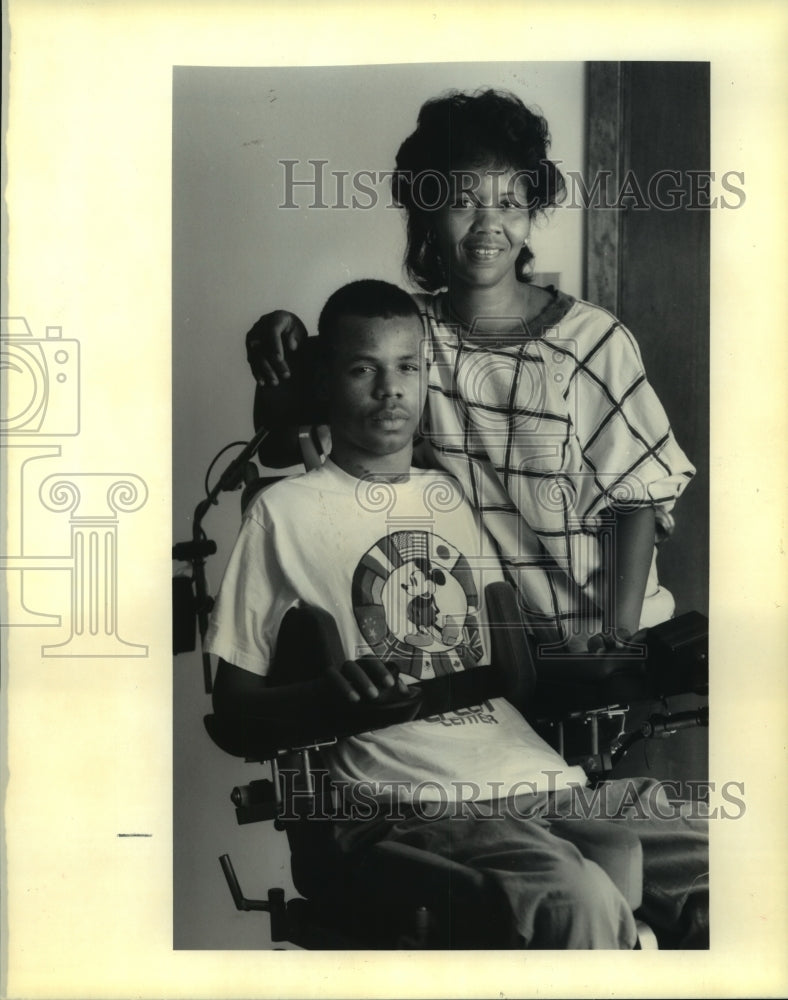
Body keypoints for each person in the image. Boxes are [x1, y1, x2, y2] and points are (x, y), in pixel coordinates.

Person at [206, 278, 709, 949]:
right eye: (363, 369)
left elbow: (518, 677)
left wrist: (610, 650)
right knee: (579, 896)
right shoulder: (281, 513)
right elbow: (234, 712)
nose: (391, 390)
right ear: (324, 381)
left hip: (541, 782)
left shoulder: (449, 495)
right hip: (411, 801)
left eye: (408, 368)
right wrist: (328, 701)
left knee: (733, 861)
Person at [244, 89, 696, 655]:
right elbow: (281, 442)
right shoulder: (409, 339)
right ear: (427, 215)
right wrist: (279, 338)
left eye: (510, 202)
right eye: (464, 201)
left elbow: (638, 501)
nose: (489, 224)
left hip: (600, 639)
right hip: (489, 650)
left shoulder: (590, 341)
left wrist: (617, 641)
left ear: (532, 214)